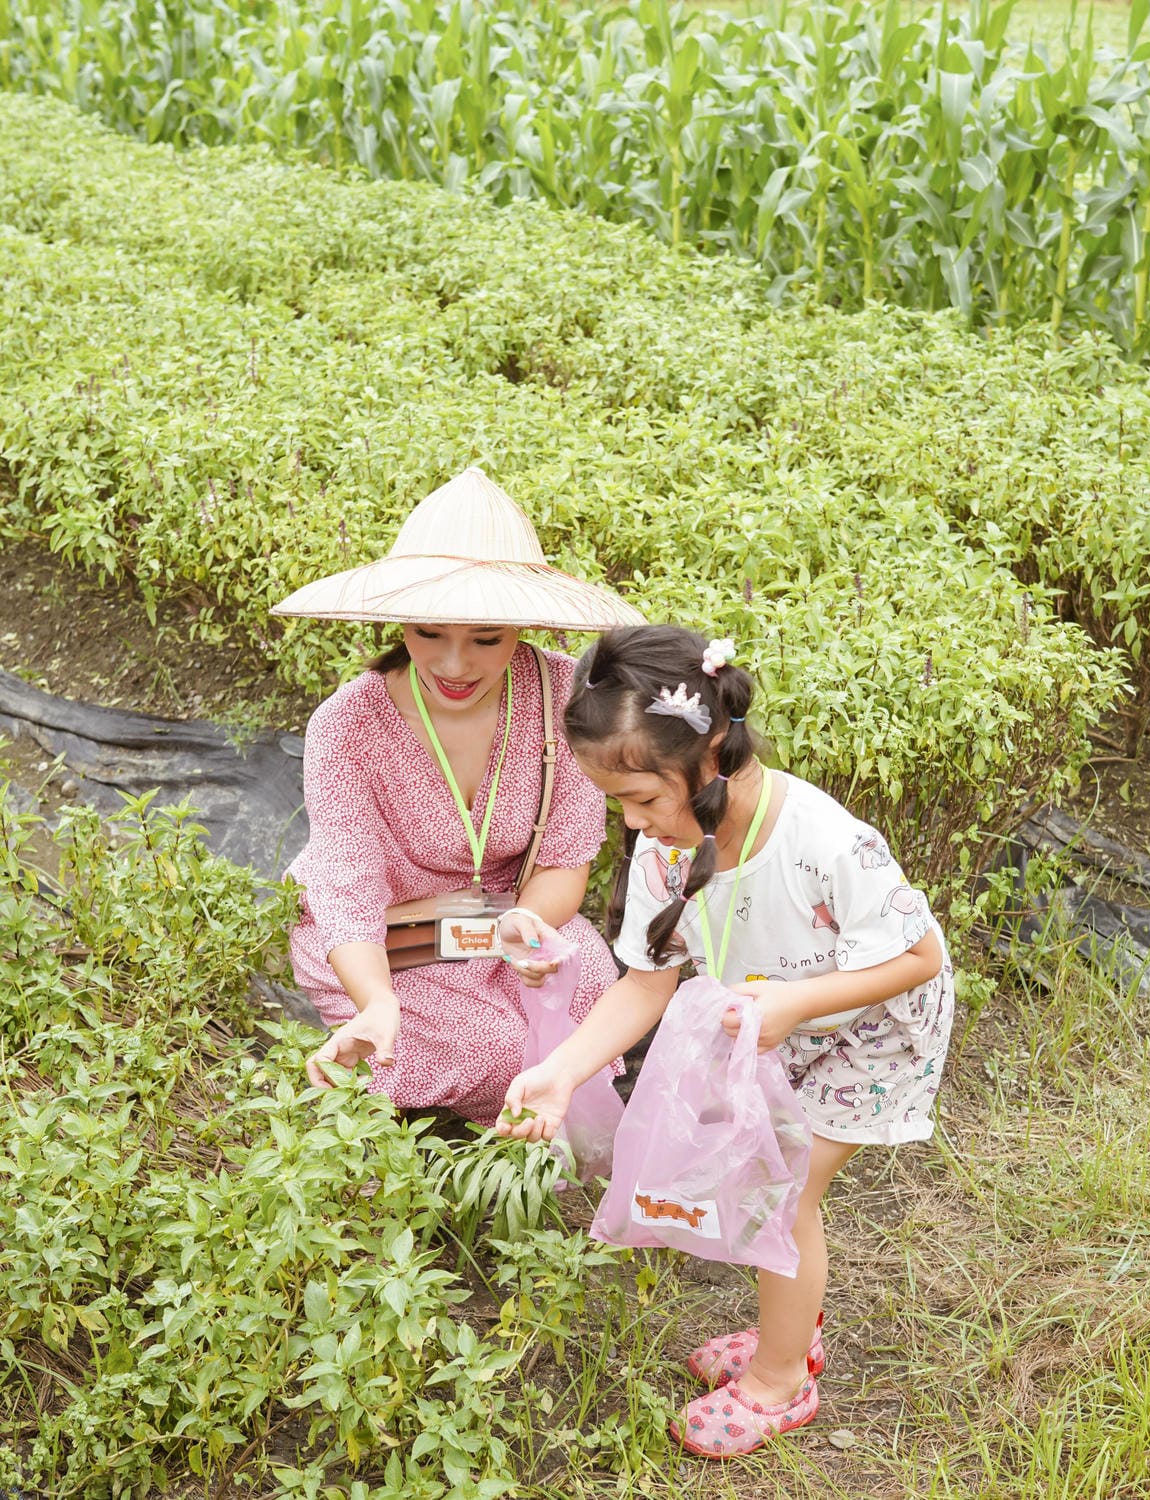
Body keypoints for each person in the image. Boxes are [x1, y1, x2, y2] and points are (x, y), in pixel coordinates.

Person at [497, 624, 954, 1457]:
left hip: (871, 1030)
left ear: (712, 754)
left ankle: (781, 1379)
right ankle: (789, 1327)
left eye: (642, 798)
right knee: (765, 1176)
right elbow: (646, 982)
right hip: (778, 1022)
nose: (634, 823)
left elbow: (918, 958)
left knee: (780, 1191)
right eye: (620, 806)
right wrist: (562, 1072)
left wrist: (796, 1004)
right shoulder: (665, 856)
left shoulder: (821, 840)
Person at [268, 467, 643, 1124]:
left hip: (500, 917)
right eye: (428, 634)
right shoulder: (349, 726)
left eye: (485, 639)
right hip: (387, 941)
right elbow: (348, 893)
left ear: (521, 626)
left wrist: (524, 925)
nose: (453, 665)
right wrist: (376, 999)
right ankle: (462, 1116)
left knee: (585, 975)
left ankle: (537, 1117)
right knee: (495, 1048)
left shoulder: (561, 697)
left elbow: (563, 859)